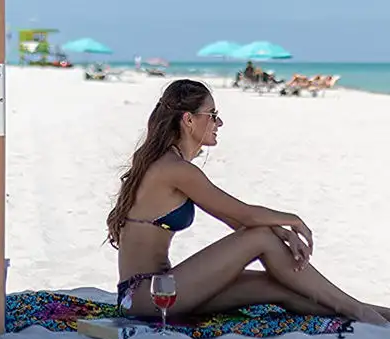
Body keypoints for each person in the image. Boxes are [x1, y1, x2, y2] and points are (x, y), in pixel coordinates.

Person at [105, 78, 390, 326]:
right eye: (213, 114)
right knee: (261, 238)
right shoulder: (175, 169)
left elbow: (235, 220)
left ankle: (372, 313)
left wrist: (281, 232)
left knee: (275, 287)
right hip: (144, 297)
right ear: (189, 119)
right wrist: (291, 220)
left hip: (164, 289)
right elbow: (247, 217)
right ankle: (357, 310)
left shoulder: (172, 164)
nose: (219, 122)